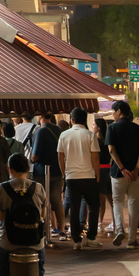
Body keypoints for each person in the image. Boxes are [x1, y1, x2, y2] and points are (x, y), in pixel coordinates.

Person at [0, 153, 48, 276]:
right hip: (35, 243)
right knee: (39, 275)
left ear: (10, 169)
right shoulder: (38, 187)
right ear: (28, 169)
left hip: (9, 242)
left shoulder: (2, 187)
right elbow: (43, 215)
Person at [105, 99, 139, 249]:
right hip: (137, 174)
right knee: (133, 204)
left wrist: (122, 168)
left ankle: (120, 229)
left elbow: (111, 150)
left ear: (119, 112)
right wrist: (136, 168)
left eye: (113, 112)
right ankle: (132, 240)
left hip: (118, 173)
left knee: (117, 201)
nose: (113, 115)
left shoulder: (112, 128)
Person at [57, 107, 101, 249]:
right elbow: (95, 157)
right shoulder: (90, 135)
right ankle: (91, 237)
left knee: (74, 209)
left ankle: (76, 240)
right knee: (94, 207)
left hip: (72, 177)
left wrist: (64, 173)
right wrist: (97, 175)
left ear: (72, 120)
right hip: (88, 176)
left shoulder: (64, 135)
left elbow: (60, 156)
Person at [29, 112, 65, 242]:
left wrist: (31, 160)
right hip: (57, 171)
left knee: (41, 201)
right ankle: (62, 230)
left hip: (41, 171)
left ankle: (44, 229)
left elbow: (35, 156)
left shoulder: (40, 131)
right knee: (56, 201)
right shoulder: (58, 129)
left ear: (41, 116)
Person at [93, 117, 113, 233]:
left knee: (101, 198)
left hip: (99, 170)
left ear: (98, 127)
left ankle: (100, 223)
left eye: (94, 125)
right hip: (108, 169)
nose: (92, 127)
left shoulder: (97, 140)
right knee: (110, 198)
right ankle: (115, 222)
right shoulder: (107, 139)